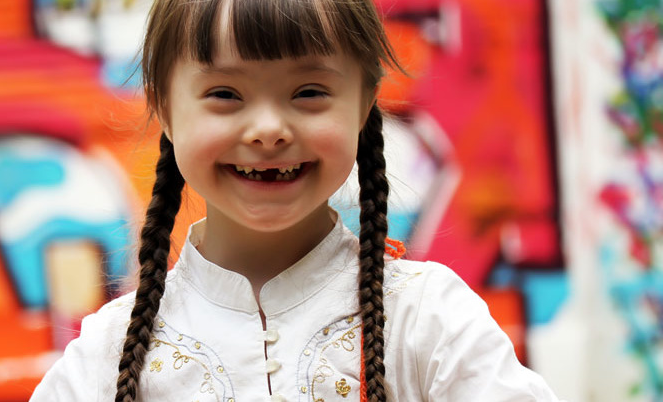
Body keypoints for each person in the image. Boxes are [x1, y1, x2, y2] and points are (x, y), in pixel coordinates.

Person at [31, 0, 561, 401]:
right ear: (165, 108)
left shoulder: (431, 322)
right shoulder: (108, 352)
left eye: (308, 92)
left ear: (364, 104)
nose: (268, 129)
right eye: (225, 94)